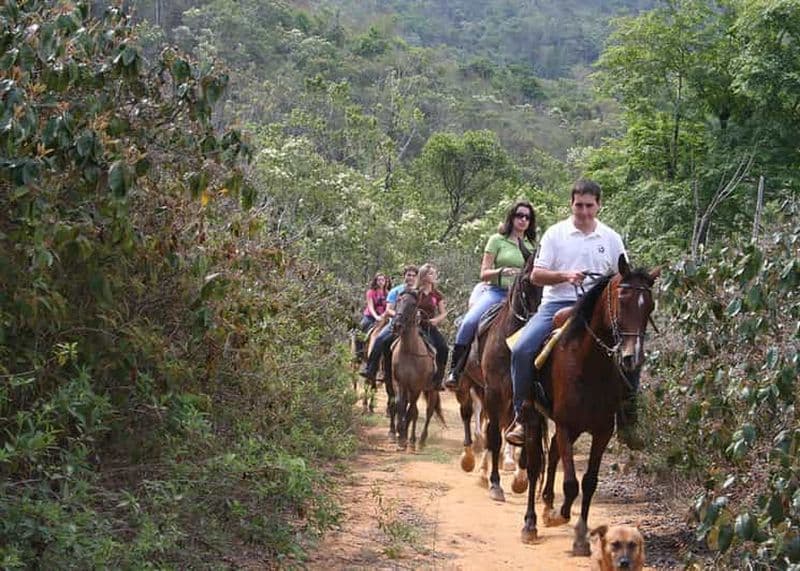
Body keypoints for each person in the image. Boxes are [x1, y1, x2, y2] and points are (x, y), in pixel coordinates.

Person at [505, 179, 640, 449]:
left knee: (633, 346)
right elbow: (536, 276)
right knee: (521, 349)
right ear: (571, 204)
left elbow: (625, 275)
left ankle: (627, 417)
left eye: (590, 206)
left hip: (600, 309)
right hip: (557, 303)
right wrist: (565, 275)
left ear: (599, 205)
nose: (584, 211)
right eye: (579, 205)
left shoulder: (612, 238)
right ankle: (523, 414)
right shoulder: (556, 234)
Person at [444, 201, 537, 389]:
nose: (523, 220)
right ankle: (456, 369)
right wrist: (501, 271)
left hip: (523, 297)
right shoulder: (497, 240)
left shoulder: (533, 245)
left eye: (528, 217)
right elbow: (483, 273)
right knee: (469, 322)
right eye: (520, 215)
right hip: (497, 292)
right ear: (511, 217)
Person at [359, 265, 418, 382]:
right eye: (408, 275)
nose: (410, 278)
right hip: (396, 324)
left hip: (414, 326)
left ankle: (435, 377)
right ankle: (371, 369)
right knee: (380, 339)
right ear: (404, 276)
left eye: (413, 275)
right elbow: (388, 309)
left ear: (417, 277)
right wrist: (399, 315)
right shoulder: (395, 291)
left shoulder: (419, 292)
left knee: (435, 344)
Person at [413, 263, 449, 390]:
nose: (434, 276)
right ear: (423, 276)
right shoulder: (415, 292)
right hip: (415, 326)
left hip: (430, 327)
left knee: (443, 348)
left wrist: (436, 320)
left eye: (434, 273)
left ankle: (438, 379)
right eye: (431, 273)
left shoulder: (436, 294)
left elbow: (444, 312)